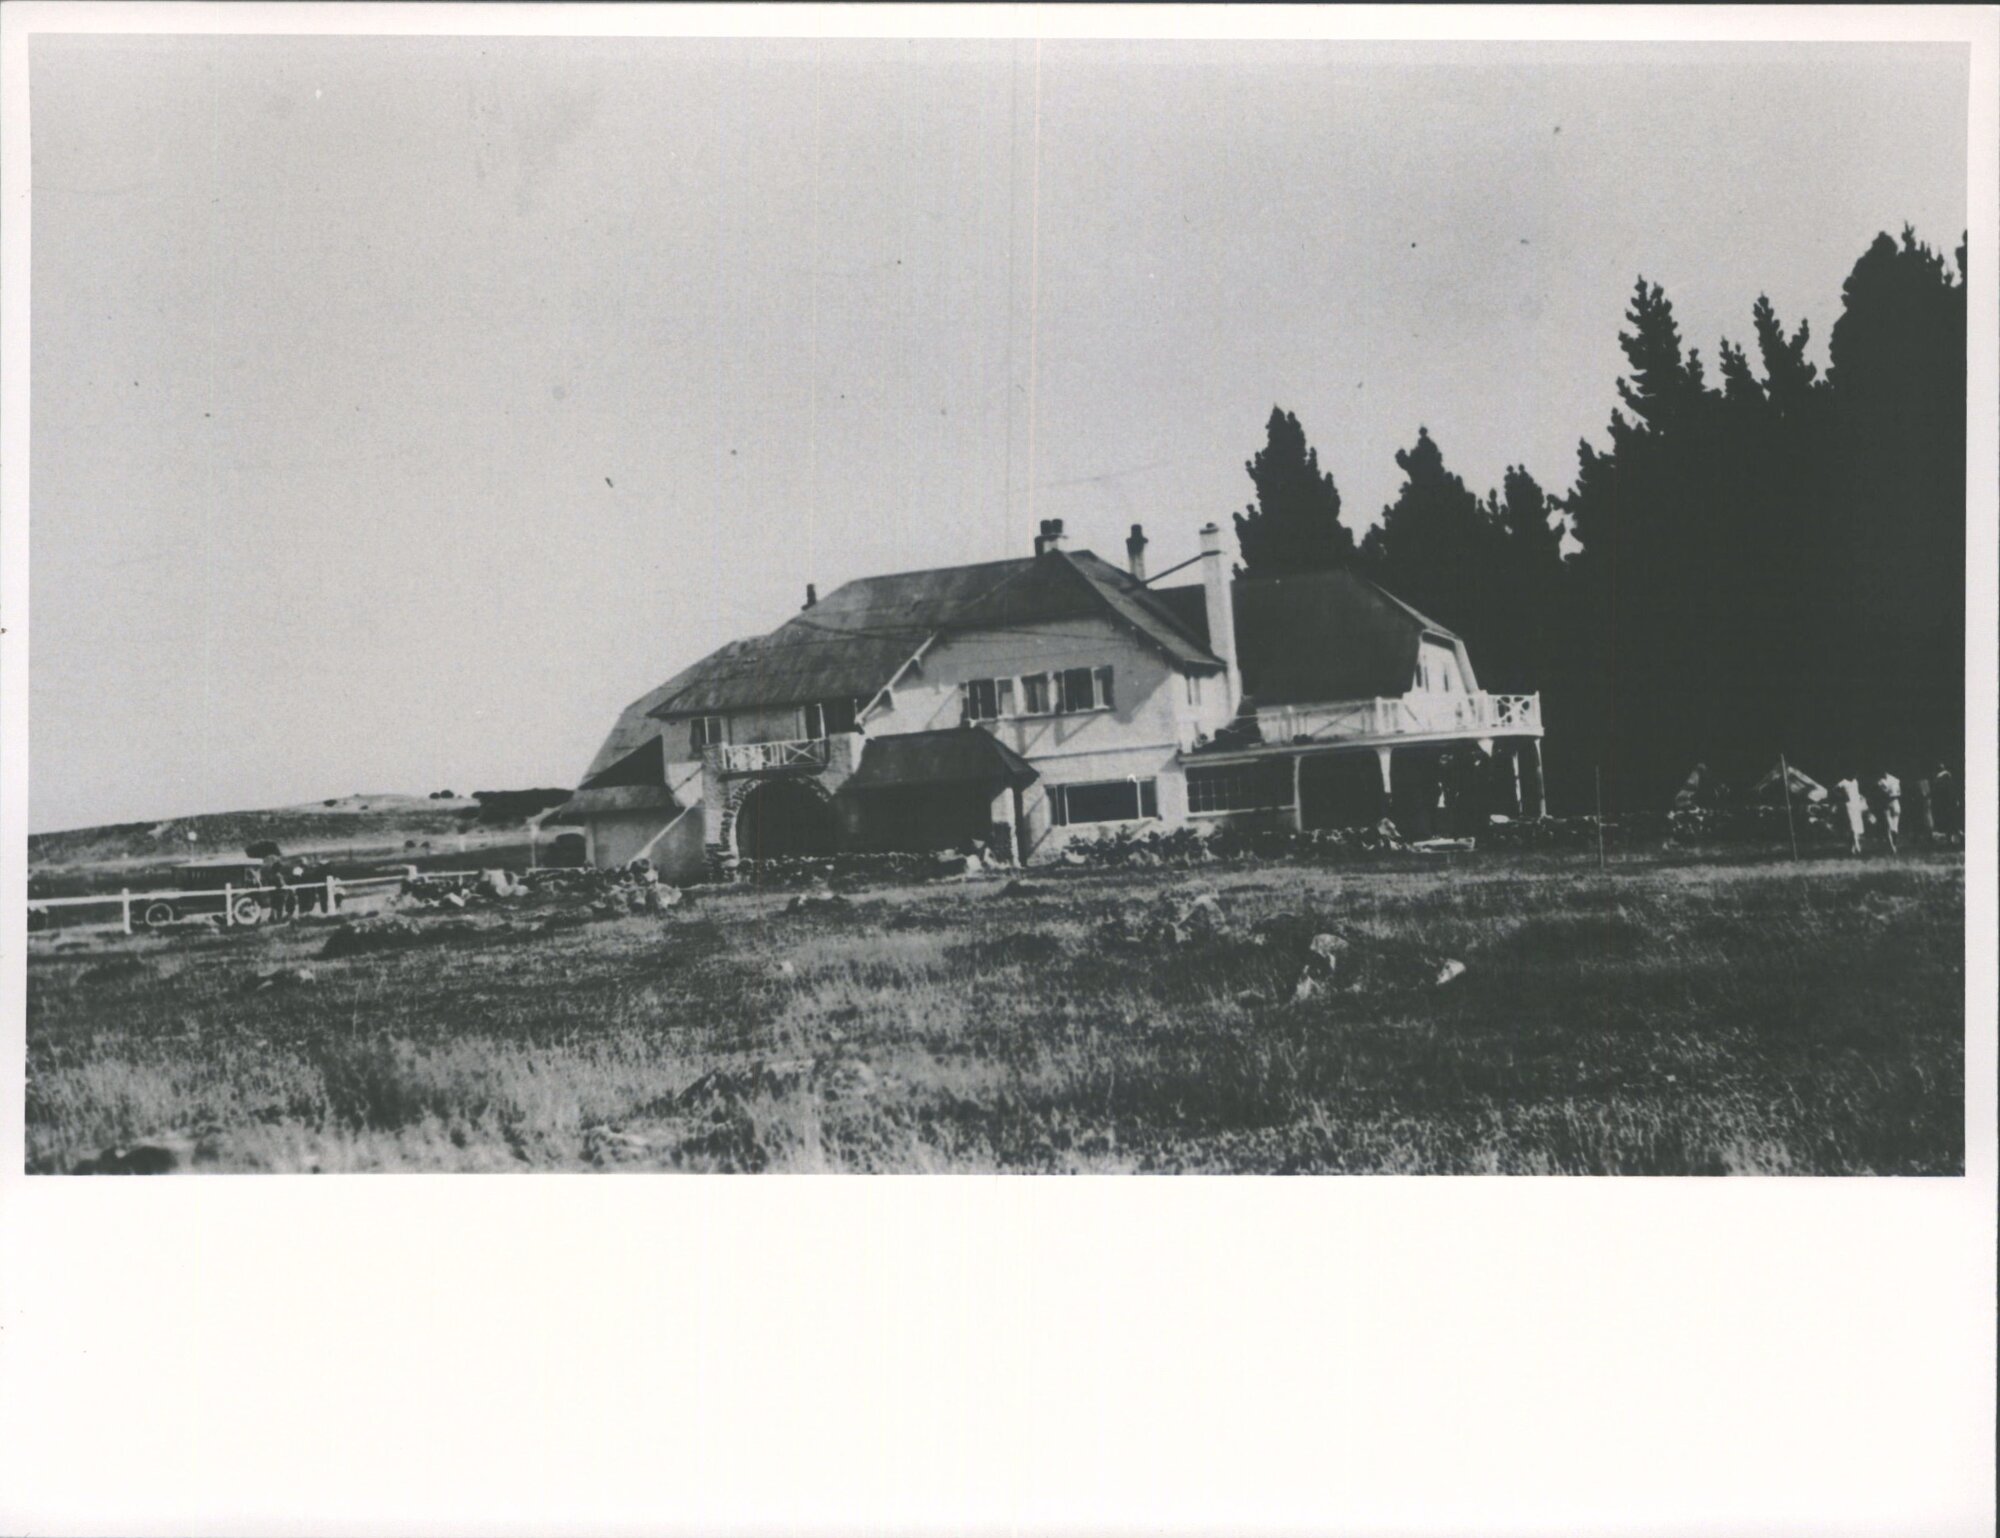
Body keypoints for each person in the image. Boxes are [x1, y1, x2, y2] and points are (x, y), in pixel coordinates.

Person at [1834, 774, 1867, 856]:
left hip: (1857, 805)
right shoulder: (1843, 782)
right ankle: (1857, 846)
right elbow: (1834, 790)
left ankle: (1852, 849)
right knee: (1852, 826)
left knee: (1856, 826)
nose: (1855, 775)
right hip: (1849, 805)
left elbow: (1856, 792)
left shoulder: (1856, 782)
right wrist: (1842, 796)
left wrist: (1860, 797)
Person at [1871, 769, 1902, 855]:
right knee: (1894, 827)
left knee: (1888, 827)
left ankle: (1892, 847)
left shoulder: (1880, 781)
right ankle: (1893, 845)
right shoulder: (1895, 779)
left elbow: (1881, 794)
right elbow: (1899, 792)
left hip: (1887, 803)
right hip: (1896, 802)